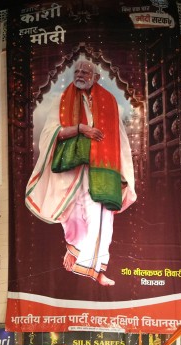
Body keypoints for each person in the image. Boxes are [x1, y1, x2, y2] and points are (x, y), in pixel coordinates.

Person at [25, 58, 136, 286]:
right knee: (72, 212)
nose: (81, 74)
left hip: (102, 168)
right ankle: (74, 250)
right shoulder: (62, 100)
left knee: (103, 218)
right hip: (72, 168)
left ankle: (96, 270)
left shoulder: (109, 101)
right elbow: (50, 134)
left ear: (95, 77)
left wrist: (123, 174)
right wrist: (80, 129)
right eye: (77, 70)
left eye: (86, 71)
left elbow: (120, 141)